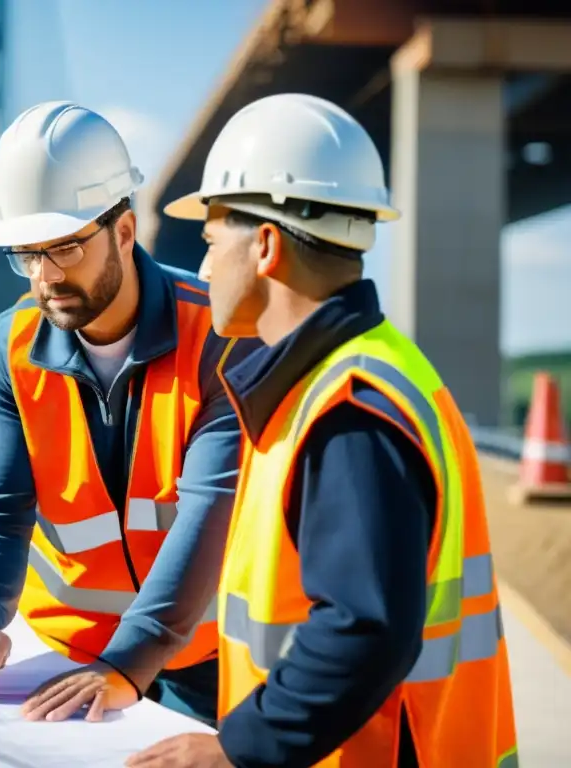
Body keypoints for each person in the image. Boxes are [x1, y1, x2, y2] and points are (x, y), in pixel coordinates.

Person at [127, 93, 518, 767]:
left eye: (214, 241)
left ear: (267, 246)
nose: (205, 267)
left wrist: (237, 750)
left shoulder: (349, 409)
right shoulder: (352, 375)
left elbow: (363, 628)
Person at [0, 101, 260, 727]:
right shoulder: (8, 346)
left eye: (67, 248)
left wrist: (129, 664)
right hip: (64, 660)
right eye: (27, 253)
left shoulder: (219, 334)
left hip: (203, 658)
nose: (45, 276)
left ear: (124, 233)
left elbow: (210, 511)